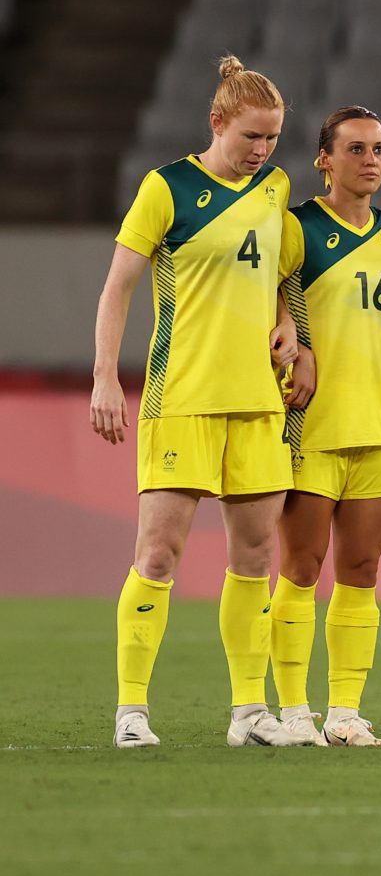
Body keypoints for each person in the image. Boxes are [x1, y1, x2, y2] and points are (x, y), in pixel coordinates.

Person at [90, 55, 305, 747]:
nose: (263, 151)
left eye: (272, 138)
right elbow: (119, 284)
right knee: (158, 554)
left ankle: (249, 712)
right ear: (217, 122)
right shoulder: (168, 187)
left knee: (253, 560)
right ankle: (131, 711)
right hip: (182, 396)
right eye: (251, 136)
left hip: (257, 403)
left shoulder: (275, 189)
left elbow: (271, 272)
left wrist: (286, 322)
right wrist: (104, 378)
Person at [272, 107, 381, 747]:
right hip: (312, 423)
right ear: (325, 159)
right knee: (300, 567)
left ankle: (344, 711)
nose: (370, 159)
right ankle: (293, 710)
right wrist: (301, 343)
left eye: (379, 149)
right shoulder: (297, 230)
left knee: (363, 570)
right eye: (355, 148)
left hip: (378, 425)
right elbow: (267, 291)